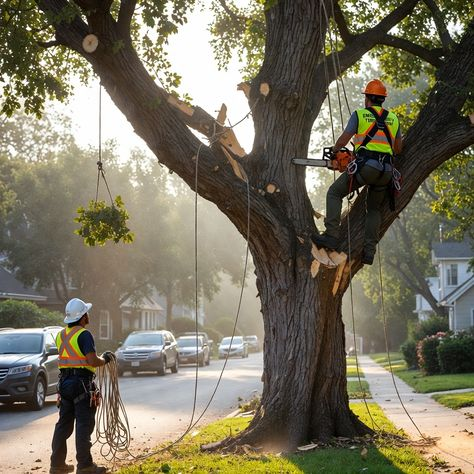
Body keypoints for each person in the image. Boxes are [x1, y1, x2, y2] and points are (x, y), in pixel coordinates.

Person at [312, 79, 402, 265]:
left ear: (368, 98)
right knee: (374, 209)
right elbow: (398, 148)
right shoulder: (393, 119)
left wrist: (336, 151)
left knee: (335, 192)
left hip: (367, 167)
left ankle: (331, 235)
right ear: (382, 99)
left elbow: (344, 139)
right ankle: (369, 251)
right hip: (386, 171)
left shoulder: (359, 115)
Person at [50, 298, 114, 474]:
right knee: (83, 425)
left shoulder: (61, 335)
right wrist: (106, 359)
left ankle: (57, 465)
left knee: (63, 424)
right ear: (82, 316)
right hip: (81, 384)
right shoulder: (84, 335)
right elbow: (92, 360)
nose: (88, 315)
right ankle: (85, 466)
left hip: (64, 383)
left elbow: (72, 357)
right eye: (87, 312)